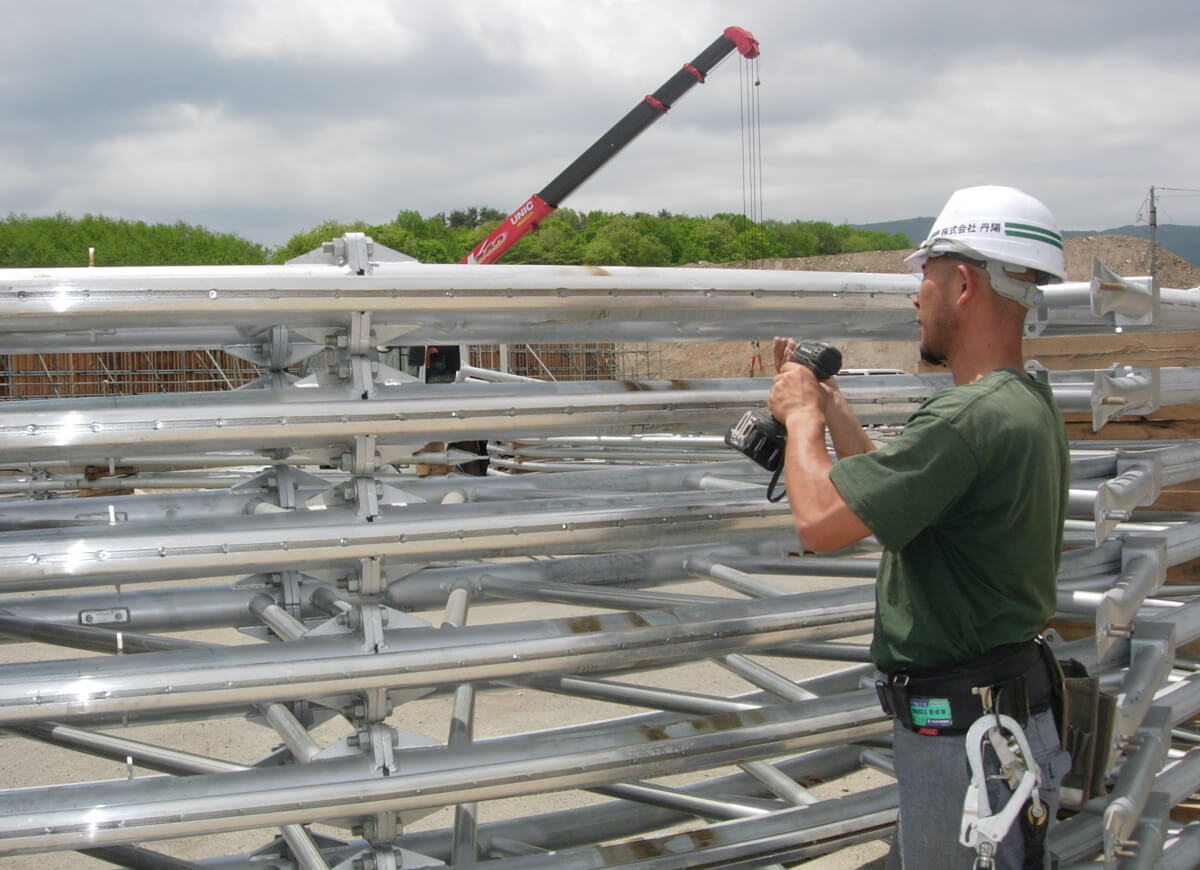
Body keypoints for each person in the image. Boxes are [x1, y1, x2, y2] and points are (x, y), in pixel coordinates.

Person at [766, 185, 1073, 868]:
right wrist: (834, 406)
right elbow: (902, 501)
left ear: (963, 283)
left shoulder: (967, 420)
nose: (916, 297)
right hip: (1000, 725)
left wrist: (802, 418)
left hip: (964, 746)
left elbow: (819, 521)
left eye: (925, 278)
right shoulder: (1023, 404)